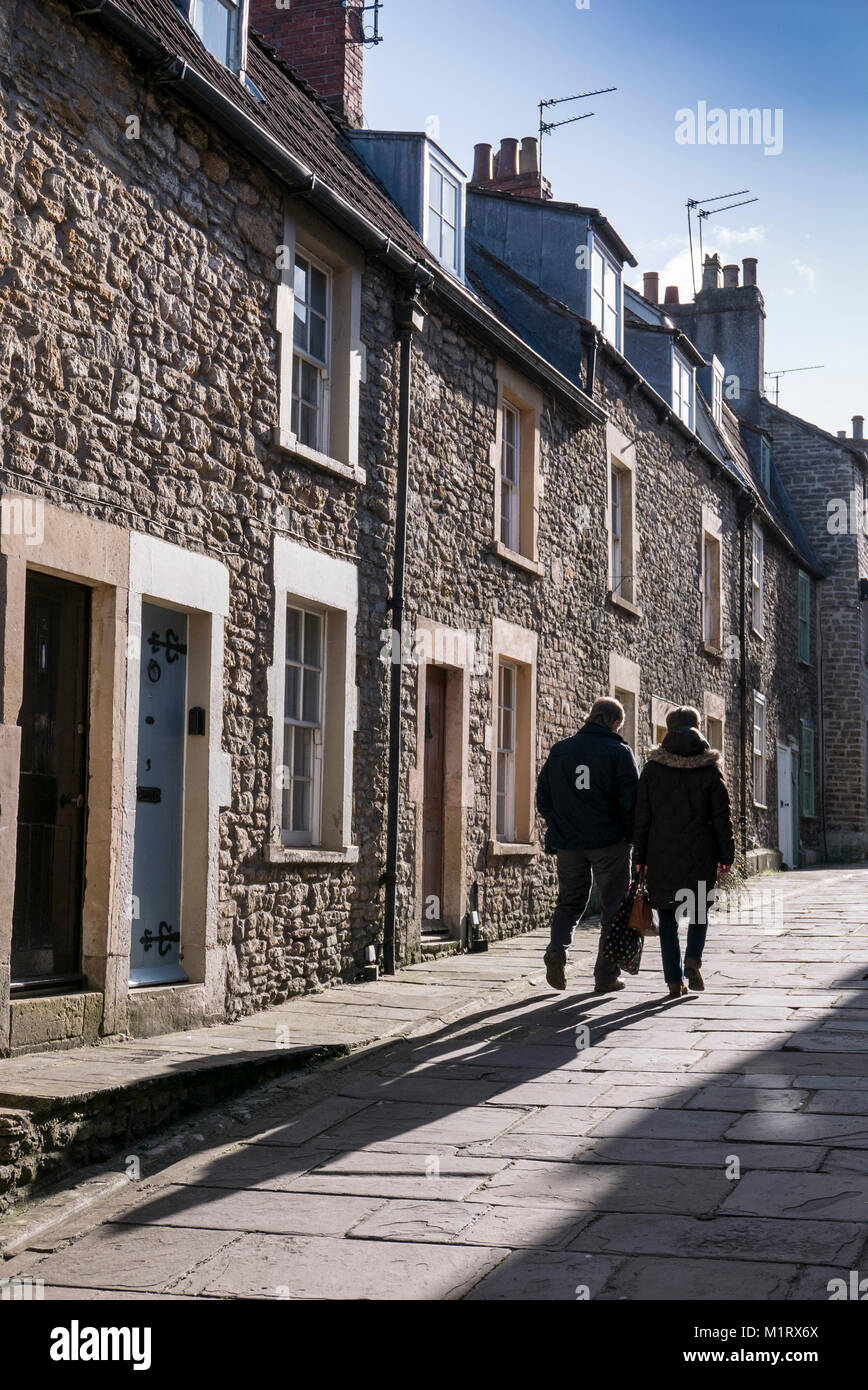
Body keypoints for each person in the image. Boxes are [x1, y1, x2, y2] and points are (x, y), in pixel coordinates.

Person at [536, 697, 639, 993]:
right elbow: (630, 803)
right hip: (609, 842)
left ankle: (557, 949)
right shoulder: (620, 752)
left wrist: (561, 822)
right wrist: (632, 838)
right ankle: (605, 976)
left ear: (590, 716)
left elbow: (543, 799)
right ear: (615, 723)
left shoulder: (561, 750)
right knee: (613, 908)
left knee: (569, 902)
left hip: (569, 843)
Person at [633, 706, 735, 998]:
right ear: (698, 728)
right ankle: (692, 959)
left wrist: (638, 859)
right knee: (700, 909)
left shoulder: (652, 769)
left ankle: (674, 981)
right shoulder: (709, 767)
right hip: (701, 853)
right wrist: (726, 856)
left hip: (660, 853)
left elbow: (642, 818)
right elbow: (721, 817)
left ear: (668, 729)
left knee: (667, 916)